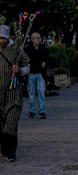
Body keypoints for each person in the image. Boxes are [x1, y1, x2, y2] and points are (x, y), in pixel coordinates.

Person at [0, 25, 30, 161]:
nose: (1, 41)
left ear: (8, 38)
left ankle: (10, 152)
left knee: (11, 123)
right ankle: (3, 148)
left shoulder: (17, 49)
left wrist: (20, 70)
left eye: (3, 38)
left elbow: (27, 66)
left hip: (13, 92)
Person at [25, 32, 49, 119]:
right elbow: (23, 60)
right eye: (35, 38)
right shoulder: (27, 49)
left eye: (39, 37)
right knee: (31, 93)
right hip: (30, 73)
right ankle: (32, 111)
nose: (37, 39)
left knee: (41, 92)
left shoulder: (44, 48)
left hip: (40, 73)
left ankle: (42, 111)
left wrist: (45, 63)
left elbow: (48, 59)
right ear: (32, 39)